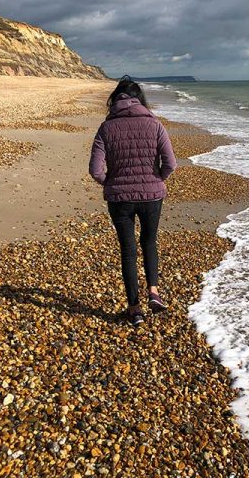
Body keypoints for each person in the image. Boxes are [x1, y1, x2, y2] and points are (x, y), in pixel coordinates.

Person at [89, 76, 177, 326]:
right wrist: (157, 178)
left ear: (115, 100)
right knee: (149, 241)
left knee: (127, 250)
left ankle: (134, 308)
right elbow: (170, 163)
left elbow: (95, 170)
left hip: (119, 199)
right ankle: (154, 292)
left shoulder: (106, 128)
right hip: (152, 195)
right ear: (141, 100)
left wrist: (110, 183)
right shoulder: (155, 125)